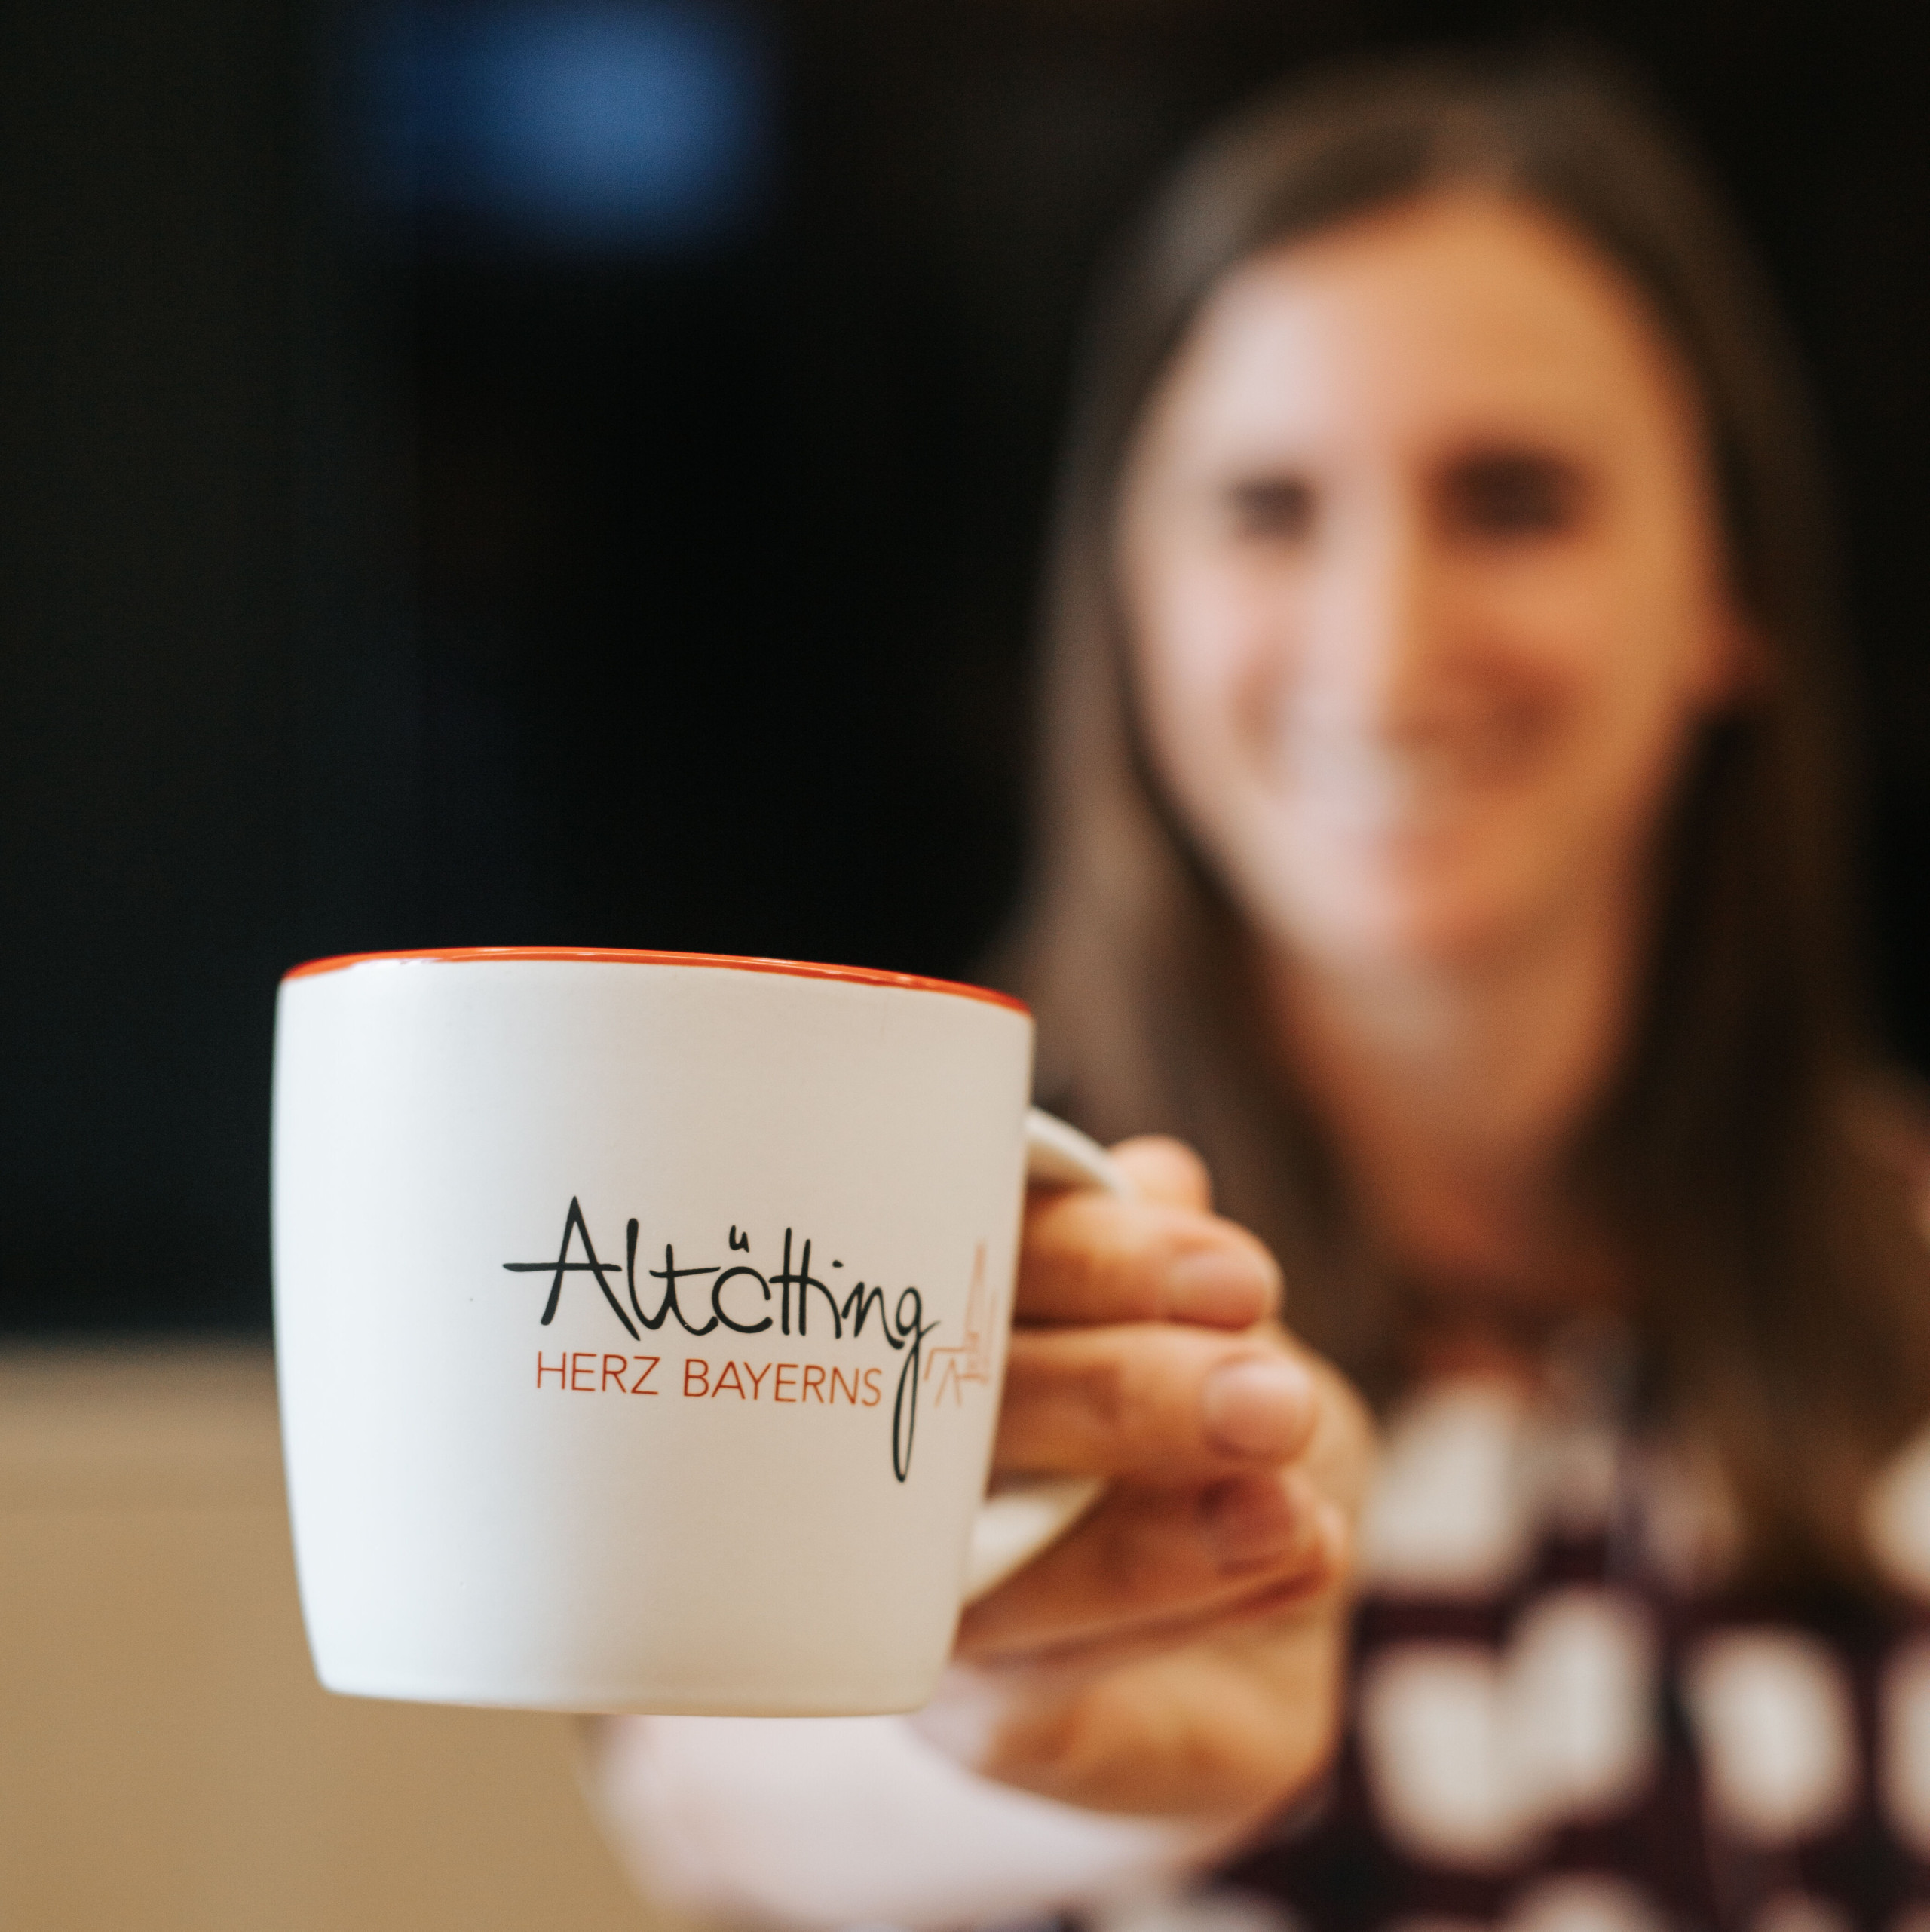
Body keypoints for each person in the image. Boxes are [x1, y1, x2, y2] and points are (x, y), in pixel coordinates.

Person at [590, 52, 1930, 1931]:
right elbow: (703, 1791)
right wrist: (1027, 1741)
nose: (1379, 644)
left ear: (1730, 587)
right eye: (1264, 509)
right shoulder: (924, 1265)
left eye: (1512, 500)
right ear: (1123, 603)